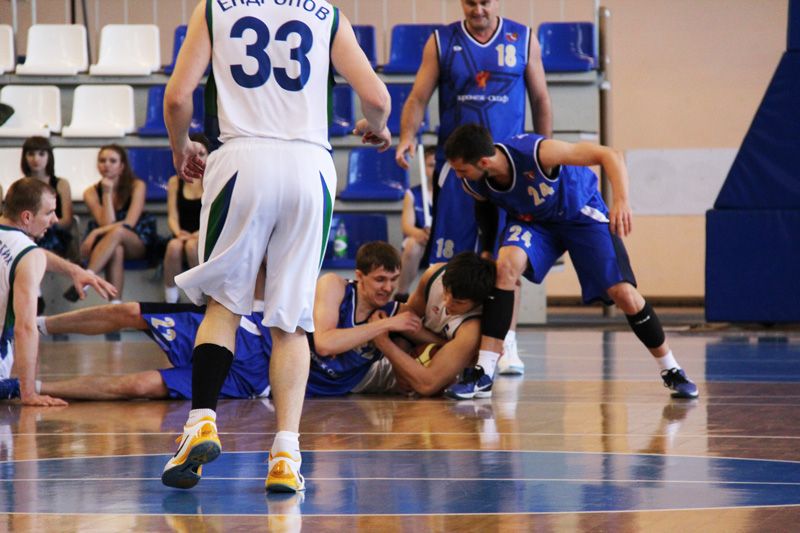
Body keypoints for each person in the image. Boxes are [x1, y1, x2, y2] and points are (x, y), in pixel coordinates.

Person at [162, 0, 392, 493]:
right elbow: (377, 97)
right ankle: (286, 454)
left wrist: (181, 147)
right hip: (310, 167)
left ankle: (200, 422)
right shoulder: (326, 15)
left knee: (224, 305)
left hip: (241, 160)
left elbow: (178, 97)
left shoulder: (215, 9)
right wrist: (377, 126)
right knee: (292, 319)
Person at [441, 124, 699, 401]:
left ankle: (672, 369)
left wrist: (622, 201)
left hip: (579, 213)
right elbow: (485, 207)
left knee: (623, 293)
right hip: (536, 223)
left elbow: (609, 155)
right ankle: (484, 373)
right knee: (504, 267)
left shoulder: (537, 152)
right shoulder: (473, 181)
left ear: (483, 162)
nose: (458, 175)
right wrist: (486, 251)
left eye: (461, 169)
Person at [395, 0, 552, 375]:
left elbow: (540, 98)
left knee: (507, 257)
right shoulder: (441, 41)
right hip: (458, 168)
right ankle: (448, 334)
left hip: (509, 168)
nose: (478, 9)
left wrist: (543, 153)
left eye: (484, 1)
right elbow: (418, 97)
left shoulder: (523, 38)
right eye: (470, 2)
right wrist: (406, 137)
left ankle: (506, 341)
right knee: (449, 258)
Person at [0, 178, 116, 406]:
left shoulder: (25, 251)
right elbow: (25, 328)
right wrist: (28, 393)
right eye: (49, 213)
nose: (54, 219)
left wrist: (73, 270)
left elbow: (30, 254)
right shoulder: (28, 255)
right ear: (27, 217)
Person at [370, 251, 496, 397]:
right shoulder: (434, 275)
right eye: (445, 292)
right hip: (405, 353)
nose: (447, 302)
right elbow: (405, 326)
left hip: (436, 371)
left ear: (478, 302)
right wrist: (399, 367)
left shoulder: (472, 329)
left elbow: (427, 385)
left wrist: (383, 342)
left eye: (458, 302)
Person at [71, 145, 159, 301]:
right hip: (109, 243)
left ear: (122, 166)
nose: (107, 165)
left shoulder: (137, 185)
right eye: (102, 161)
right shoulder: (90, 192)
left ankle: (87, 276)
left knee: (119, 232)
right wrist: (107, 193)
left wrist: (96, 232)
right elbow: (106, 223)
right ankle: (115, 304)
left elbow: (129, 223)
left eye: (112, 161)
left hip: (136, 239)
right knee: (117, 249)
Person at [163, 133, 209, 304]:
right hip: (183, 233)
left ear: (210, 156)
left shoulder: (213, 180)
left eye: (202, 154)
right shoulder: (175, 181)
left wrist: (199, 233)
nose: (197, 159)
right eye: (192, 155)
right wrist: (178, 233)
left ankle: (201, 296)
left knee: (191, 246)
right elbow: (172, 215)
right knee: (173, 246)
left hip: (206, 233)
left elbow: (215, 215)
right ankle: (171, 299)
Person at [20, 136, 75, 259]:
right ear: (24, 157)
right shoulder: (20, 186)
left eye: (41, 154)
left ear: (49, 156)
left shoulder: (61, 184)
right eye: (31, 154)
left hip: (55, 233)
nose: (36, 159)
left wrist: (42, 226)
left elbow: (67, 221)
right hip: (28, 234)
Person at [396, 145, 435, 300]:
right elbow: (406, 227)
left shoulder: (452, 194)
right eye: (431, 165)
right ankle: (401, 294)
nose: (435, 169)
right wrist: (421, 234)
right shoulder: (413, 194)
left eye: (438, 165)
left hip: (443, 244)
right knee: (412, 244)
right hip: (422, 245)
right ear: (423, 168)